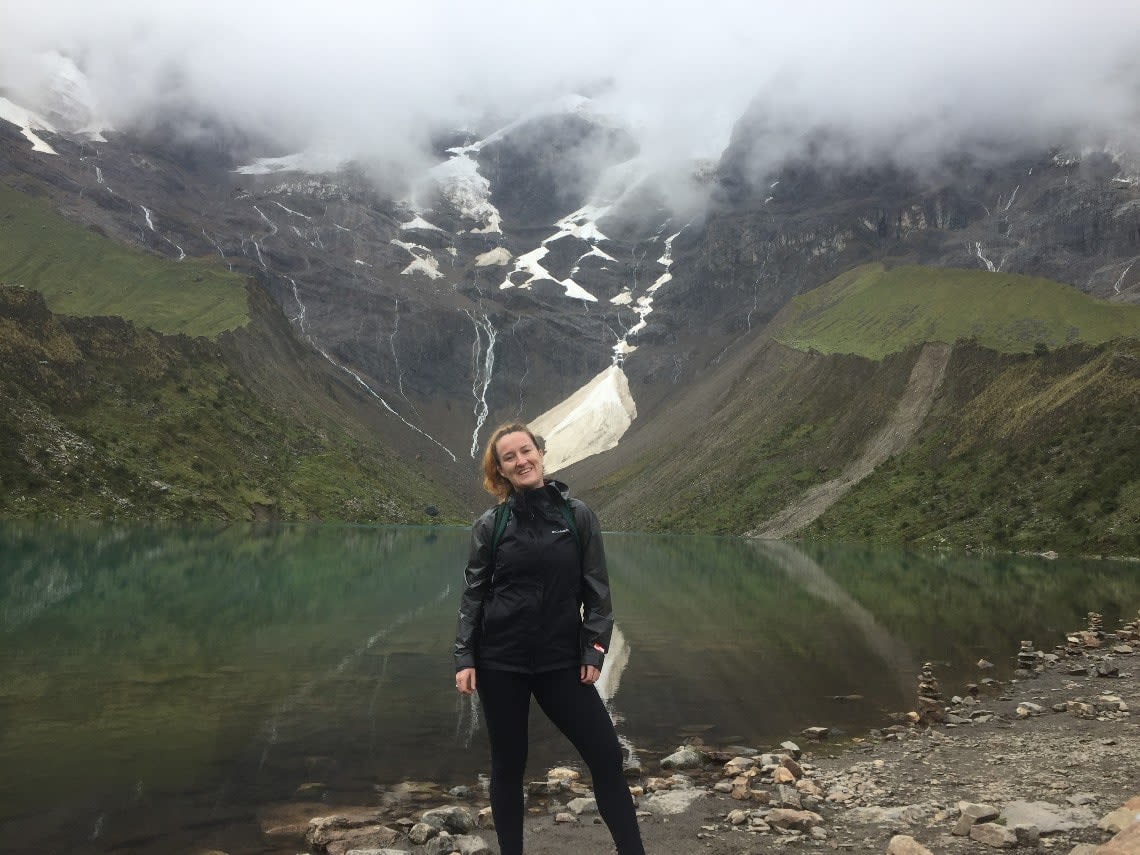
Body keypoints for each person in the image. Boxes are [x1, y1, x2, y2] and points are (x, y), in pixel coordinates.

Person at [454, 422, 646, 855]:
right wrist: (465, 655)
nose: (521, 461)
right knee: (507, 767)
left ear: (540, 453)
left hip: (561, 660)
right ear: (500, 470)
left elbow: (598, 593)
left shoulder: (576, 516)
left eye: (526, 451)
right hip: (500, 662)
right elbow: (474, 595)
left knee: (606, 757)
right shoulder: (491, 525)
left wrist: (594, 648)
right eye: (510, 457)